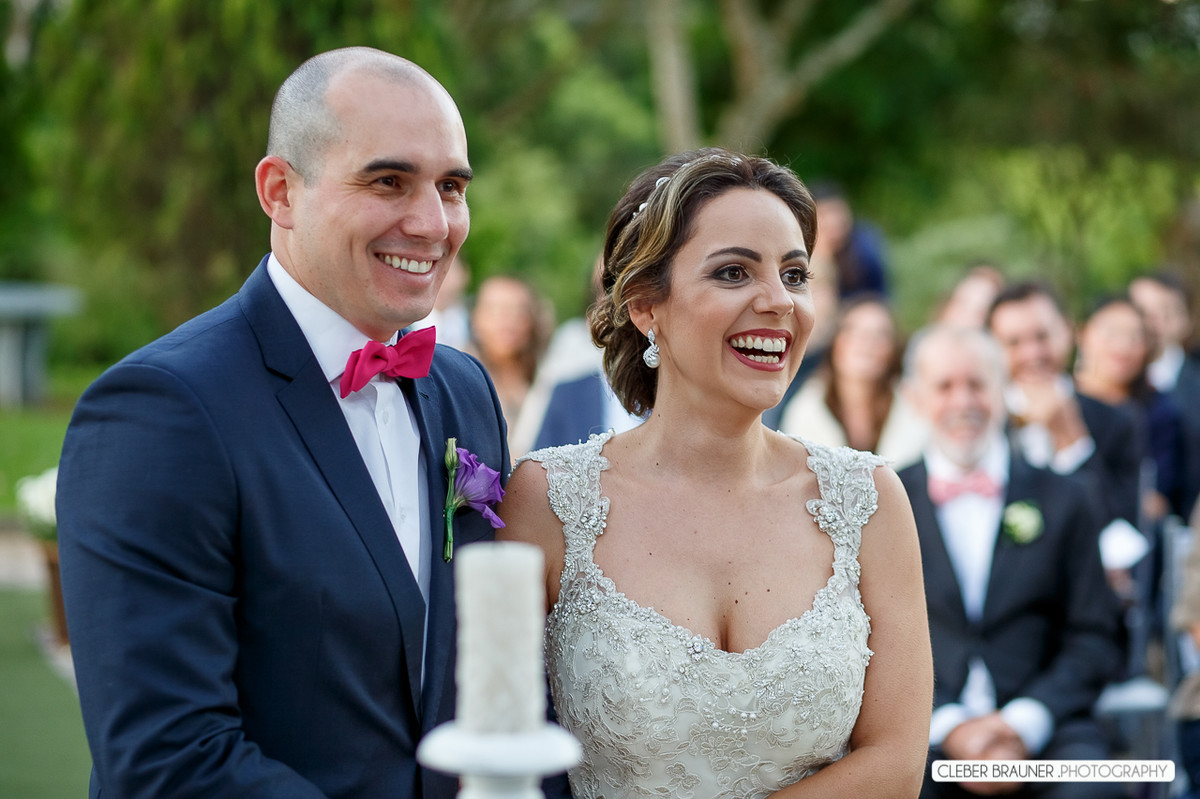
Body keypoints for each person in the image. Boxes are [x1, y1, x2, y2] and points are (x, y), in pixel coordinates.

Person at [56, 48, 513, 799]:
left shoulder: (464, 390)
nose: (433, 223)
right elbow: (166, 759)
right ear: (280, 192)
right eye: (388, 181)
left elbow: (492, 672)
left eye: (452, 187)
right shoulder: (161, 410)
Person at [499, 148, 933, 798]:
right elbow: (500, 744)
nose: (778, 301)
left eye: (794, 274)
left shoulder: (868, 501)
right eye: (734, 272)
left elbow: (896, 762)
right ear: (645, 305)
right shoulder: (550, 501)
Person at [897, 325, 1124, 799]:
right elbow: (871, 644)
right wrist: (952, 727)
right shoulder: (884, 505)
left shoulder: (1067, 499)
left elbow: (1094, 634)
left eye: (978, 384)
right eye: (944, 386)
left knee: (1095, 788)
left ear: (1003, 391)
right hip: (925, 734)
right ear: (915, 398)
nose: (963, 402)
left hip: (1049, 730)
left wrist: (1022, 724)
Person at [985, 281, 1142, 530]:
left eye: (1042, 336)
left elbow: (1124, 533)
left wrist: (1072, 443)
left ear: (1067, 332)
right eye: (1013, 342)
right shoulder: (983, 425)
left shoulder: (1118, 422)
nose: (1032, 354)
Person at [778, 293, 927, 469]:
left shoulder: (913, 409)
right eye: (853, 331)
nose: (866, 343)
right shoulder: (805, 409)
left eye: (880, 335)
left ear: (893, 350)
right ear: (835, 342)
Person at [1074, 294, 1187, 524]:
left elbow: (1156, 500)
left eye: (1135, 337)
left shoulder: (1158, 411)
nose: (1123, 346)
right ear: (1083, 334)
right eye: (1111, 333)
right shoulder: (1060, 401)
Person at [1130, 270, 1200, 520]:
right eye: (1142, 312)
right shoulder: (1113, 382)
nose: (1153, 322)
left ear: (1186, 320)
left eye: (1166, 312)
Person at [467, 274, 551, 451]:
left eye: (518, 312)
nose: (507, 322)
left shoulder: (547, 376)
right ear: (475, 317)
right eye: (496, 311)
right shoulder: (459, 375)